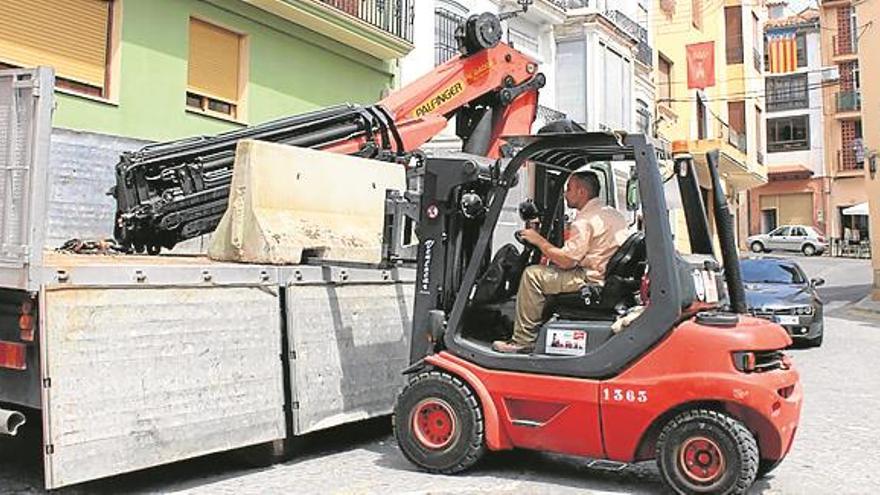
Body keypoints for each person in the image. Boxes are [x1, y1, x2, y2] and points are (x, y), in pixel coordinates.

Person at [492, 171, 629, 354]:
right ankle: (539, 325)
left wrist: (539, 241)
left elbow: (566, 261)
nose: (565, 194)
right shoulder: (612, 214)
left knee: (533, 275)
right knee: (549, 270)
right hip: (605, 275)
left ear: (581, 192)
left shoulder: (585, 221)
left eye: (569, 189)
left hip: (590, 279)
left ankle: (523, 341)